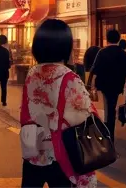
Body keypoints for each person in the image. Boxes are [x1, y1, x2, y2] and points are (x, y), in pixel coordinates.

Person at [20, 19, 97, 188]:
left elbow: (26, 110)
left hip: (33, 149)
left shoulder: (32, 73)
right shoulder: (69, 77)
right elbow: (85, 115)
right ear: (65, 45)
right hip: (60, 153)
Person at [88, 29, 126, 142]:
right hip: (117, 86)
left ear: (107, 39)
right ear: (119, 39)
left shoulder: (102, 52)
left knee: (106, 109)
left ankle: (107, 134)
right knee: (111, 109)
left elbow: (94, 70)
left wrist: (91, 84)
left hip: (103, 86)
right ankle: (109, 134)